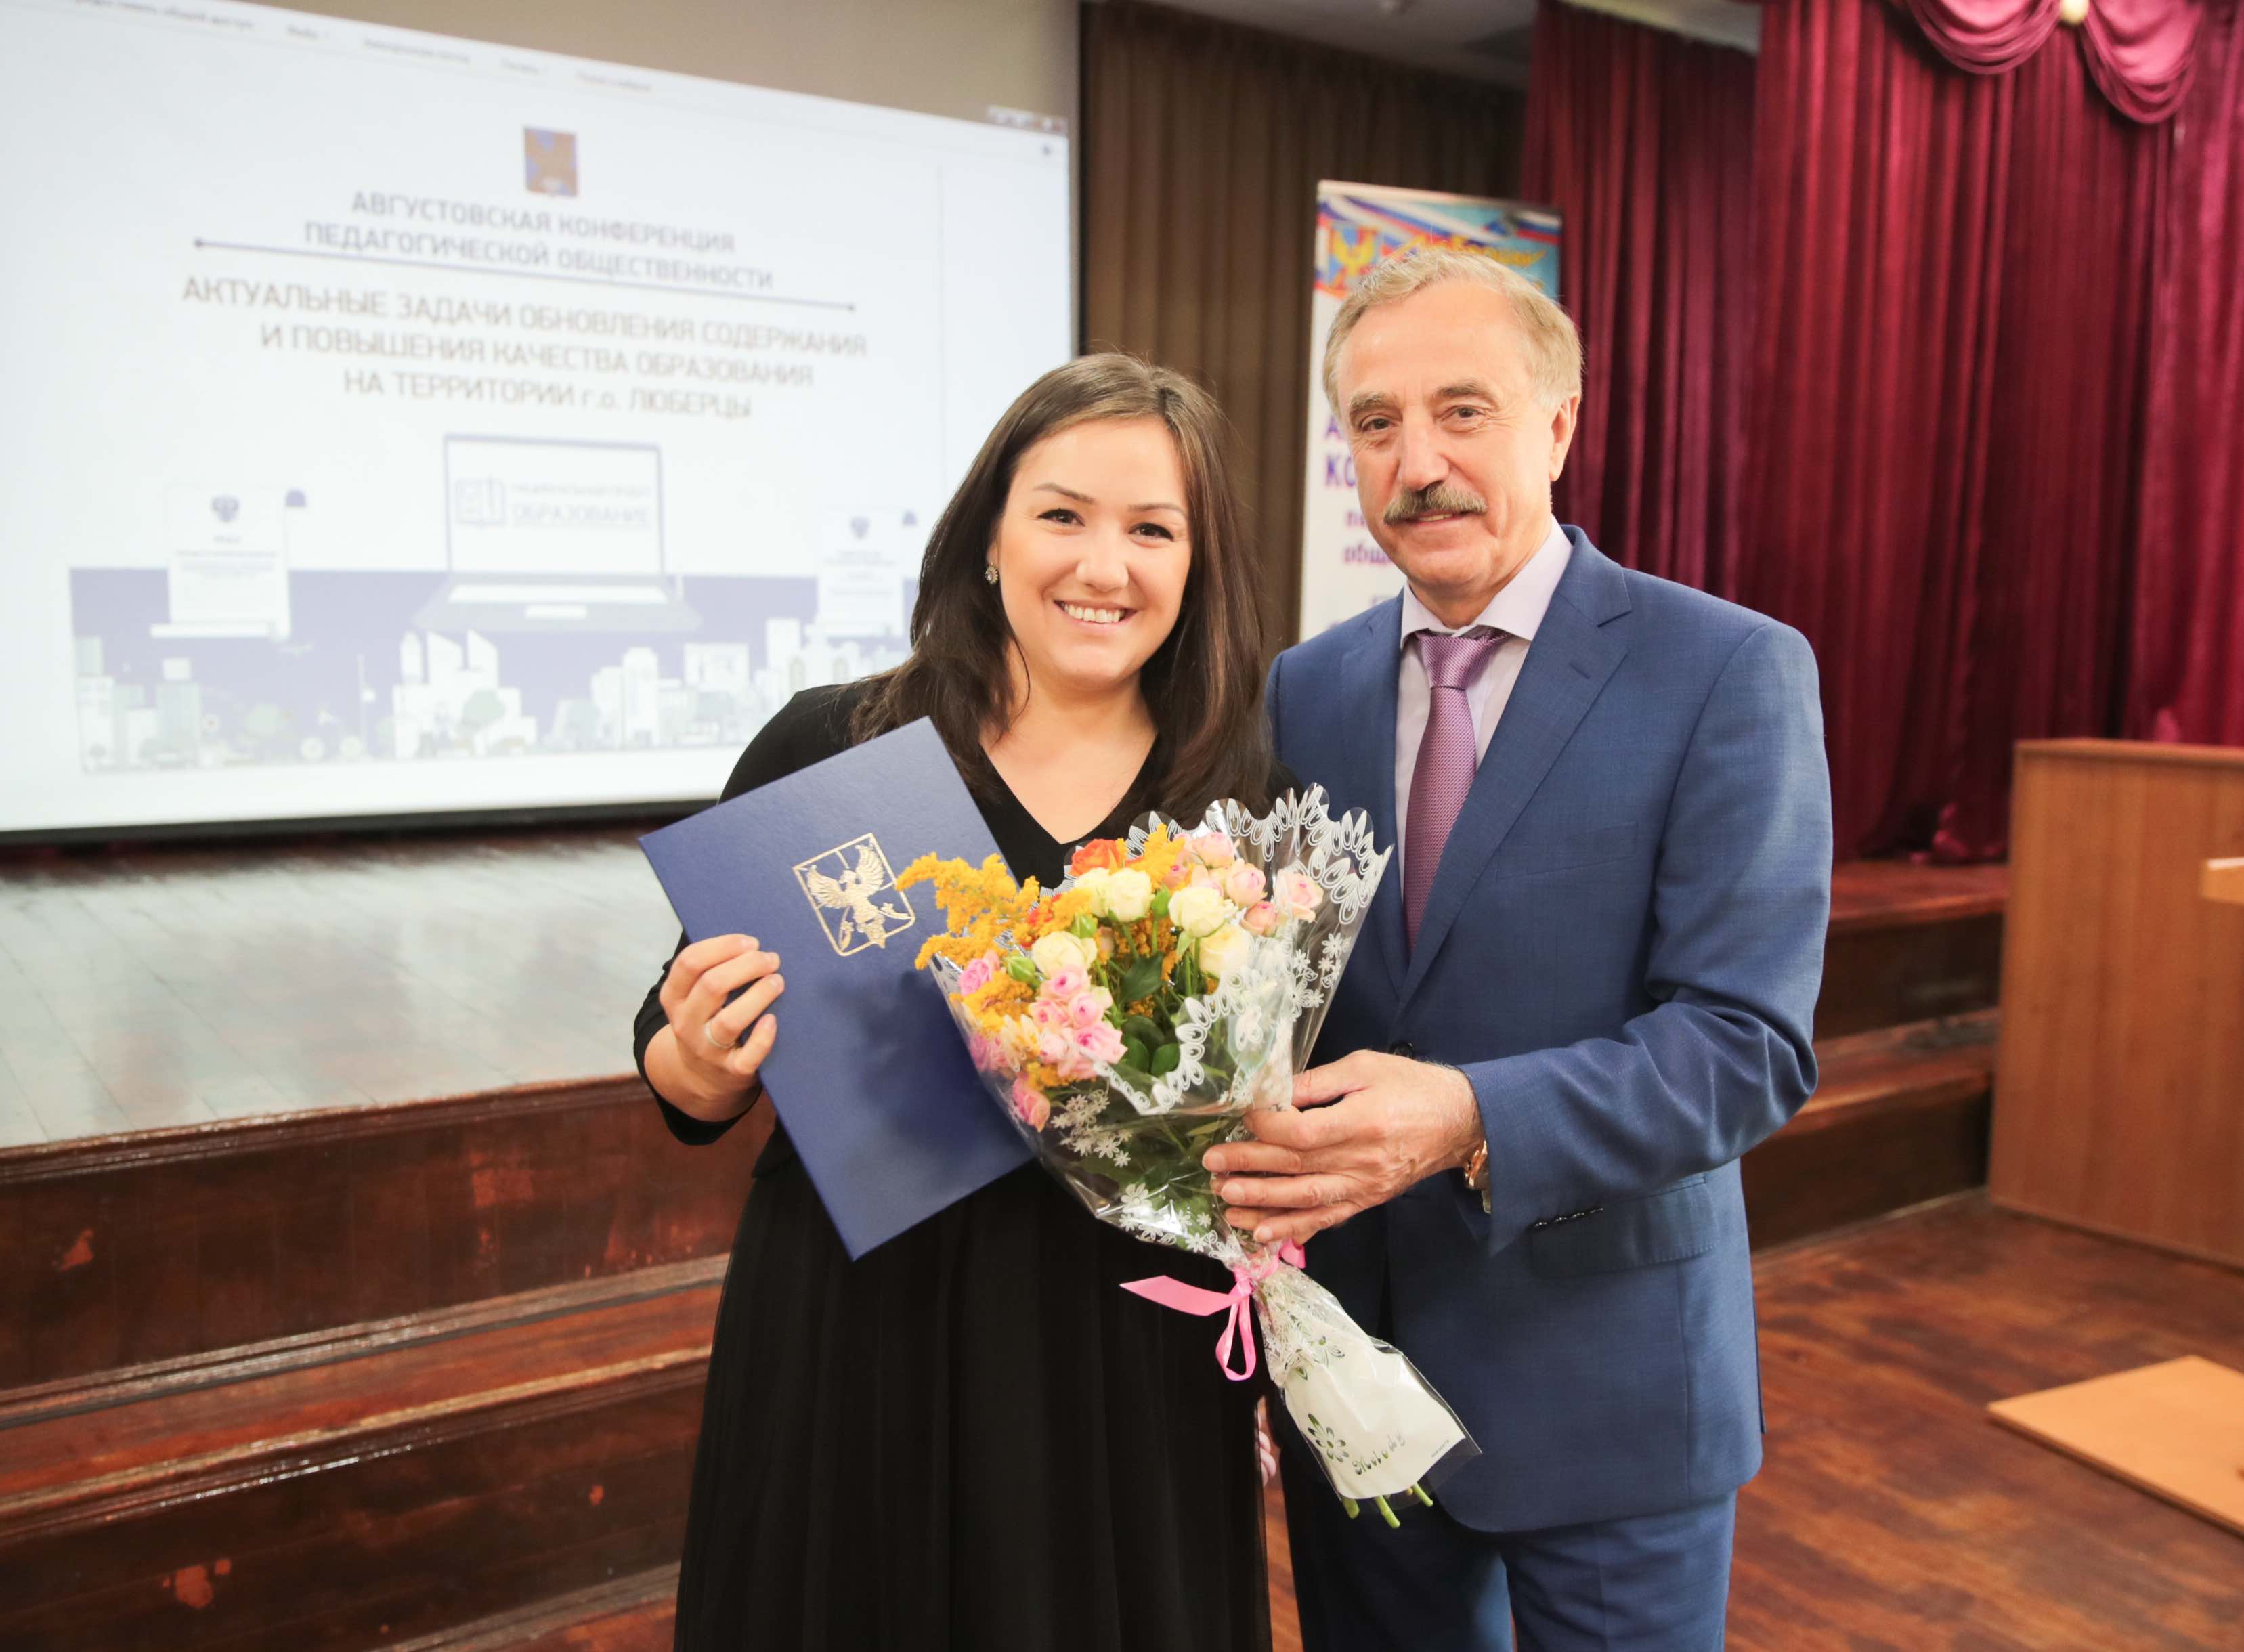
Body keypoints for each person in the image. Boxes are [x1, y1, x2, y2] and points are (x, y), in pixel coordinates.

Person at [1207, 247, 1832, 1650]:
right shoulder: (1304, 689)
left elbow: (1746, 1046)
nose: (1416, 463)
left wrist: (1467, 1115)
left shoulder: (1725, 669)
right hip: (1357, 1383)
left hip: (1608, 1382)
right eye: (1375, 423)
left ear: (1557, 425)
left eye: (1462, 411)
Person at [633, 354, 1278, 1652]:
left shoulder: (1244, 783)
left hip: (1121, 1338)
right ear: (989, 536)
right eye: (1061, 515)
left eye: (1152, 530)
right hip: (866, 1318)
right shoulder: (835, 745)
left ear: (1199, 563)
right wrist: (696, 1057)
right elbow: (678, 1051)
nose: (1103, 565)